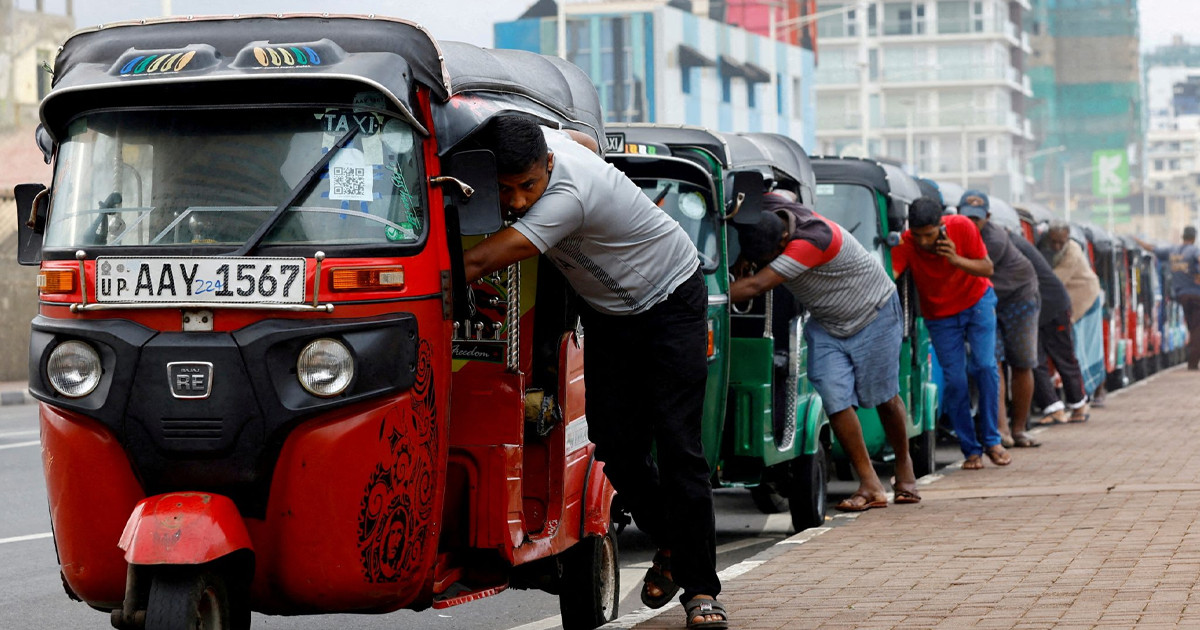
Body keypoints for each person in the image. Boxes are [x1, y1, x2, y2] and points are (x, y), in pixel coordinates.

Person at [461, 116, 727, 629]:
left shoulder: (569, 195)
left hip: (671, 297)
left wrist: (424, 272)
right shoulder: (552, 141)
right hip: (610, 312)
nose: (517, 201)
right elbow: (584, 138)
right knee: (614, 442)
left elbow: (494, 254)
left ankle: (702, 590)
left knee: (678, 446)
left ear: (551, 167)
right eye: (506, 189)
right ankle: (672, 541)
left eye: (529, 187)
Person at [729, 190, 922, 510]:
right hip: (828, 323)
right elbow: (766, 193)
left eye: (764, 260)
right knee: (834, 400)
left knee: (884, 398)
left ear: (782, 244)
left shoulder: (813, 241)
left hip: (874, 313)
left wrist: (698, 297)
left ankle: (904, 467)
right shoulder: (772, 210)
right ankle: (870, 484)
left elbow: (755, 286)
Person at [892, 198, 1010, 470]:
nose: (923, 242)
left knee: (984, 365)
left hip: (977, 302)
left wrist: (954, 258)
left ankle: (992, 440)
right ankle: (971, 450)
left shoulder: (963, 226)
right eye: (918, 236)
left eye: (930, 235)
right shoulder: (907, 242)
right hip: (939, 315)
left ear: (941, 225)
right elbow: (892, 275)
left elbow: (987, 268)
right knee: (955, 381)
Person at [957, 191, 1040, 451]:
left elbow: (968, 273)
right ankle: (1001, 430)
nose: (971, 224)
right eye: (966, 218)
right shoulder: (953, 232)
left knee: (1022, 362)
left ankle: (1019, 429)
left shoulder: (993, 239)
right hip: (987, 300)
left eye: (977, 219)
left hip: (1019, 297)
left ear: (988, 217)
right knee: (991, 363)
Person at [1007, 230, 1088, 430]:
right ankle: (1054, 408)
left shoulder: (1006, 244)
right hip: (1038, 306)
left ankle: (1078, 406)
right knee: (1036, 360)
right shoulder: (1014, 241)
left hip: (1053, 306)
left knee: (1062, 356)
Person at [1042, 221, 1105, 413]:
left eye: (1061, 242)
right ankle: (1083, 394)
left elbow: (1054, 280)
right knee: (1077, 348)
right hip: (1068, 300)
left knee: (1087, 347)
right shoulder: (1043, 245)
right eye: (1053, 242)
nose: (1057, 246)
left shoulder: (1073, 252)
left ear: (1068, 236)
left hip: (1086, 298)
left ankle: (1095, 391)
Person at [1135, 226, 1200, 370]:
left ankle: (1193, 359)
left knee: (1193, 328)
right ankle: (1193, 363)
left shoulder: (1172, 250)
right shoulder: (1194, 250)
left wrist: (1136, 240)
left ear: (1183, 236)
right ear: (1194, 238)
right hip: (1196, 295)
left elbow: (1151, 248)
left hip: (1181, 295)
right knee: (1197, 329)